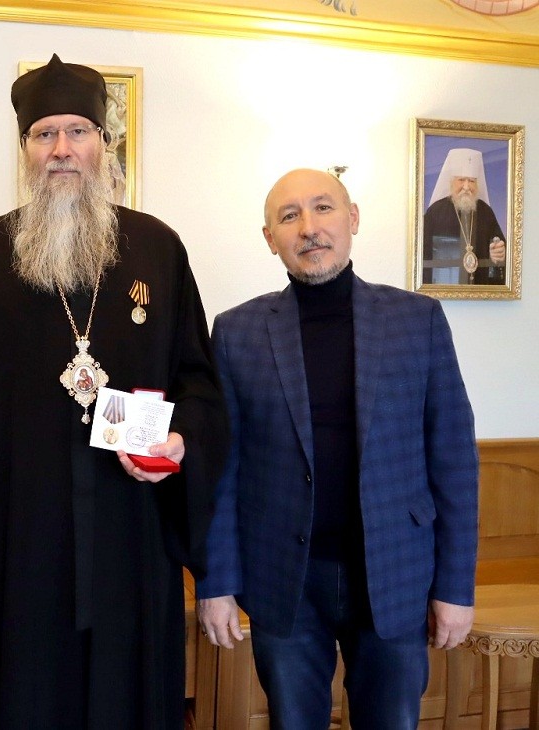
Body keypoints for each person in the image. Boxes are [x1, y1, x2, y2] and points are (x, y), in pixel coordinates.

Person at [0, 53, 229, 729]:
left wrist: (179, 439)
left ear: (103, 145)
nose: (61, 148)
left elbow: (201, 387)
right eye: (44, 134)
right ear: (26, 150)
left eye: (78, 131)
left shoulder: (158, 250)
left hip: (130, 546)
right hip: (13, 551)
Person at [196, 168, 479, 729]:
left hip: (396, 572)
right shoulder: (235, 332)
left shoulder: (417, 320)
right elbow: (221, 472)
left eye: (323, 208)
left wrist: (455, 587)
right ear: (270, 238)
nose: (309, 227)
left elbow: (453, 461)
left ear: (352, 219)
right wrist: (216, 583)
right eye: (289, 216)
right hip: (284, 579)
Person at [423, 147, 506, 284]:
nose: (466, 187)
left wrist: (499, 255)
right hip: (444, 287)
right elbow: (423, 257)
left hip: (480, 289)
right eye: (461, 180)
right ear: (451, 182)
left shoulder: (486, 212)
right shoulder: (435, 212)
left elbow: (499, 255)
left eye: (471, 181)